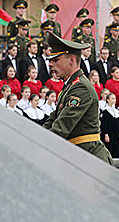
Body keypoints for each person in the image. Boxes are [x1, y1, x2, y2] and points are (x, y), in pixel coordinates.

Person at [42, 33, 112, 163]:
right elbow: (54, 118)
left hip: (89, 158)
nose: (50, 64)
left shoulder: (80, 88)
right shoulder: (70, 85)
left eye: (56, 60)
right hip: (79, 155)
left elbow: (62, 126)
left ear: (71, 60)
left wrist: (38, 145)